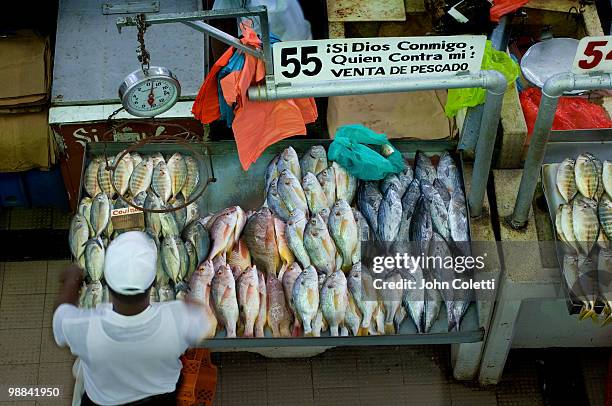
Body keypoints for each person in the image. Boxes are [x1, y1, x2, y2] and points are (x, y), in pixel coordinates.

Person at [53, 231, 213, 406]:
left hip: (103, 402)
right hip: (161, 400)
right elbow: (202, 317)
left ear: (105, 278)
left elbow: (60, 315)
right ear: (153, 283)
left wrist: (71, 281)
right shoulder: (179, 319)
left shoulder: (83, 327)